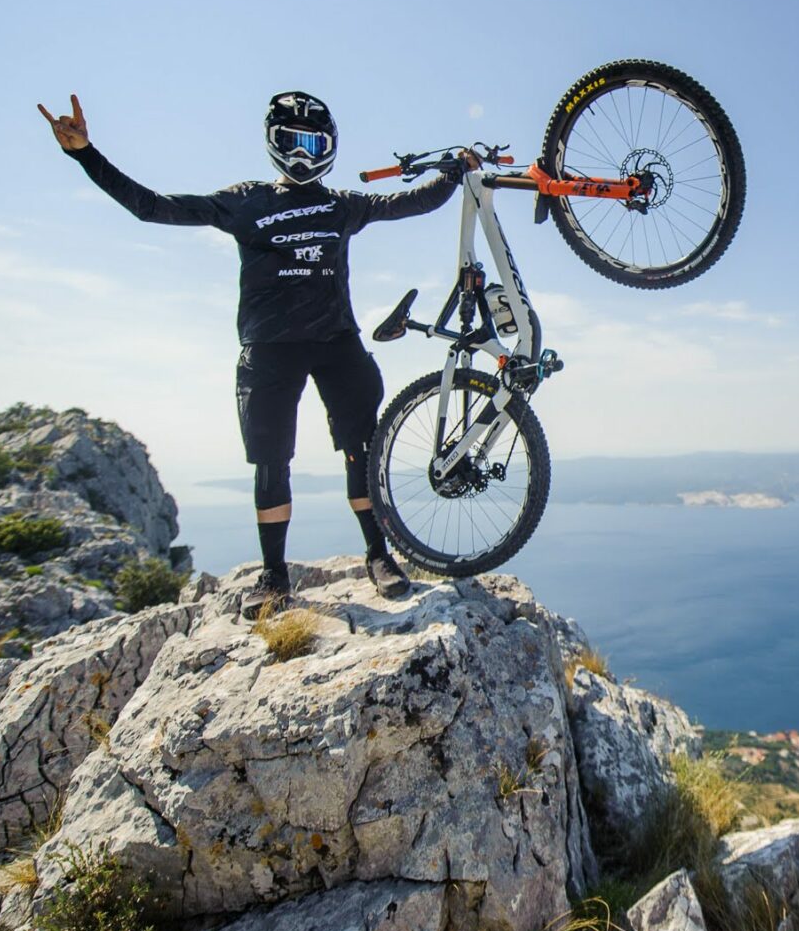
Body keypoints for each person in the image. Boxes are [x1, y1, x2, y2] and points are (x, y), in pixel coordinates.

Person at [38, 91, 473, 619]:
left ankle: (379, 556)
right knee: (272, 463)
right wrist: (84, 153)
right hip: (269, 349)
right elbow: (151, 208)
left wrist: (455, 172)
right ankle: (274, 576)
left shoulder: (342, 204)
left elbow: (413, 202)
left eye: (315, 143)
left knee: (361, 448)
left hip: (336, 342)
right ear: (274, 144)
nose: (304, 154)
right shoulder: (246, 201)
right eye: (293, 142)